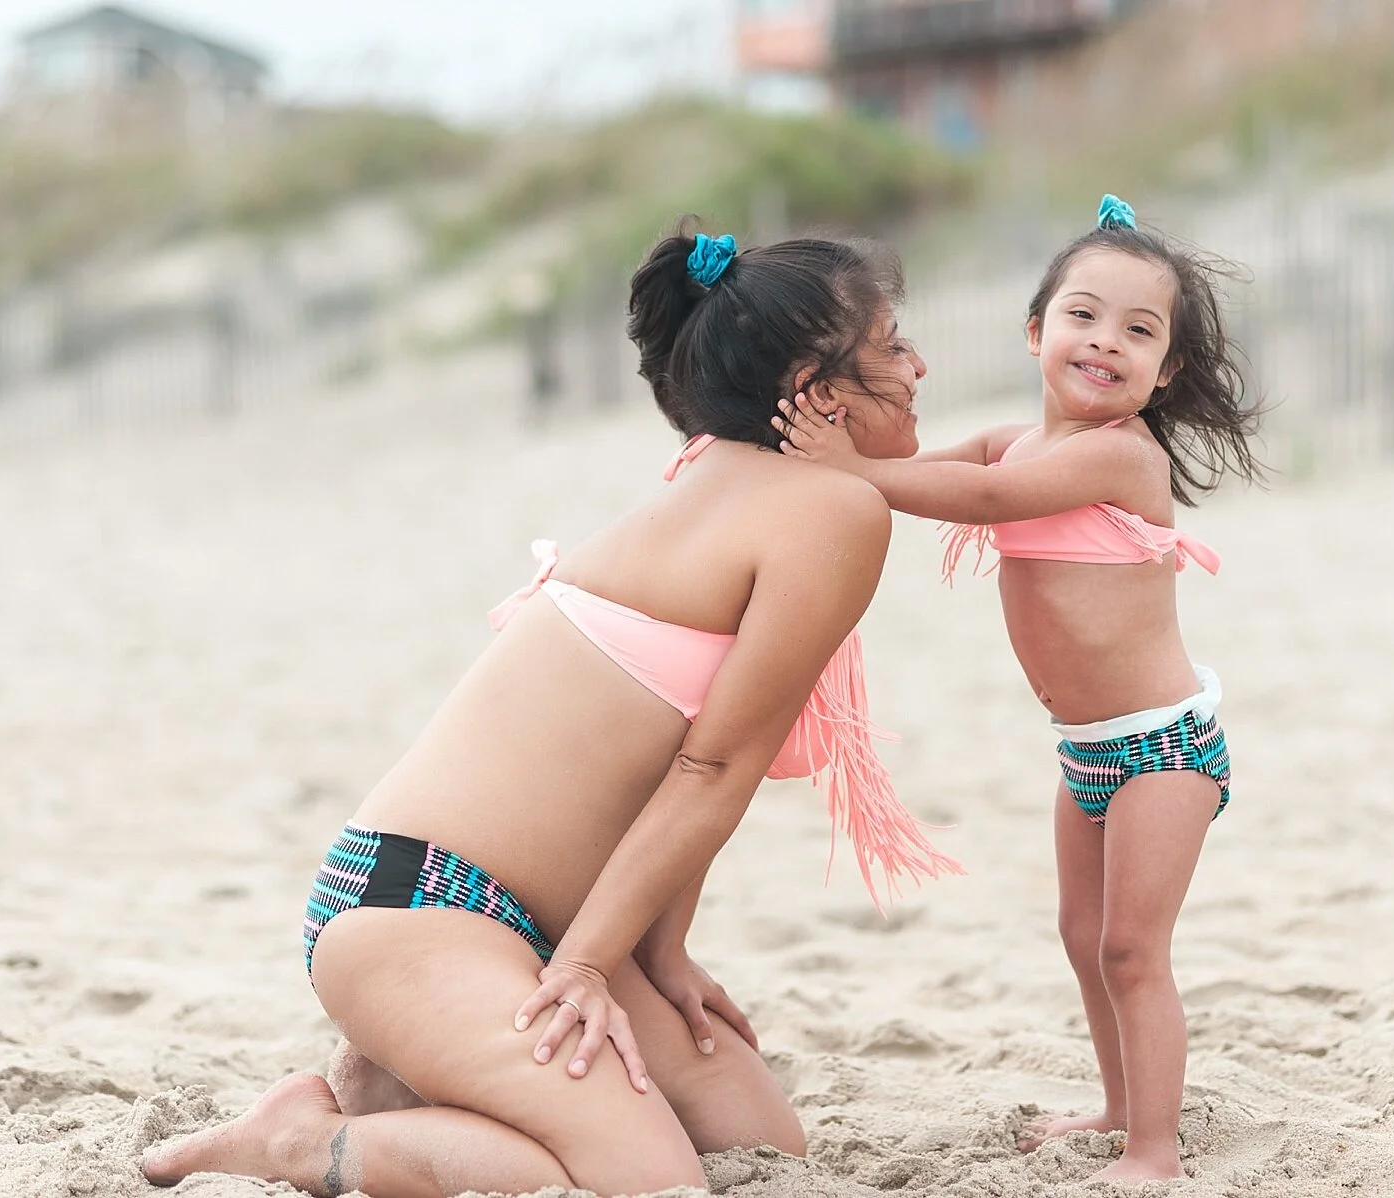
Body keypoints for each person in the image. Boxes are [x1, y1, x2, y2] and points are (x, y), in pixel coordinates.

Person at [141, 225, 960, 1197]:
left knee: (760, 1146)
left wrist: (658, 953)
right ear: (817, 390)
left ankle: (395, 1076)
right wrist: (582, 968)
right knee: (648, 1182)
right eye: (892, 343)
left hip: (531, 919)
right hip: (418, 907)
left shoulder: (729, 478)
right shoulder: (832, 513)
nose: (919, 364)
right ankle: (298, 1141)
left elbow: (674, 752)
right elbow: (712, 771)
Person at [774, 195, 1261, 1184]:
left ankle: (1155, 1148)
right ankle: (1121, 1106)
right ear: (1036, 329)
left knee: (1133, 949)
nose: (1105, 342)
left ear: (1164, 371)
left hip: (1165, 751)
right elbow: (909, 472)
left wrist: (847, 467)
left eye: (1139, 331)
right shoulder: (1010, 440)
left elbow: (983, 503)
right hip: (1085, 754)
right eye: (1083, 315)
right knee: (1083, 940)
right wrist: (835, 453)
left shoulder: (1122, 455)